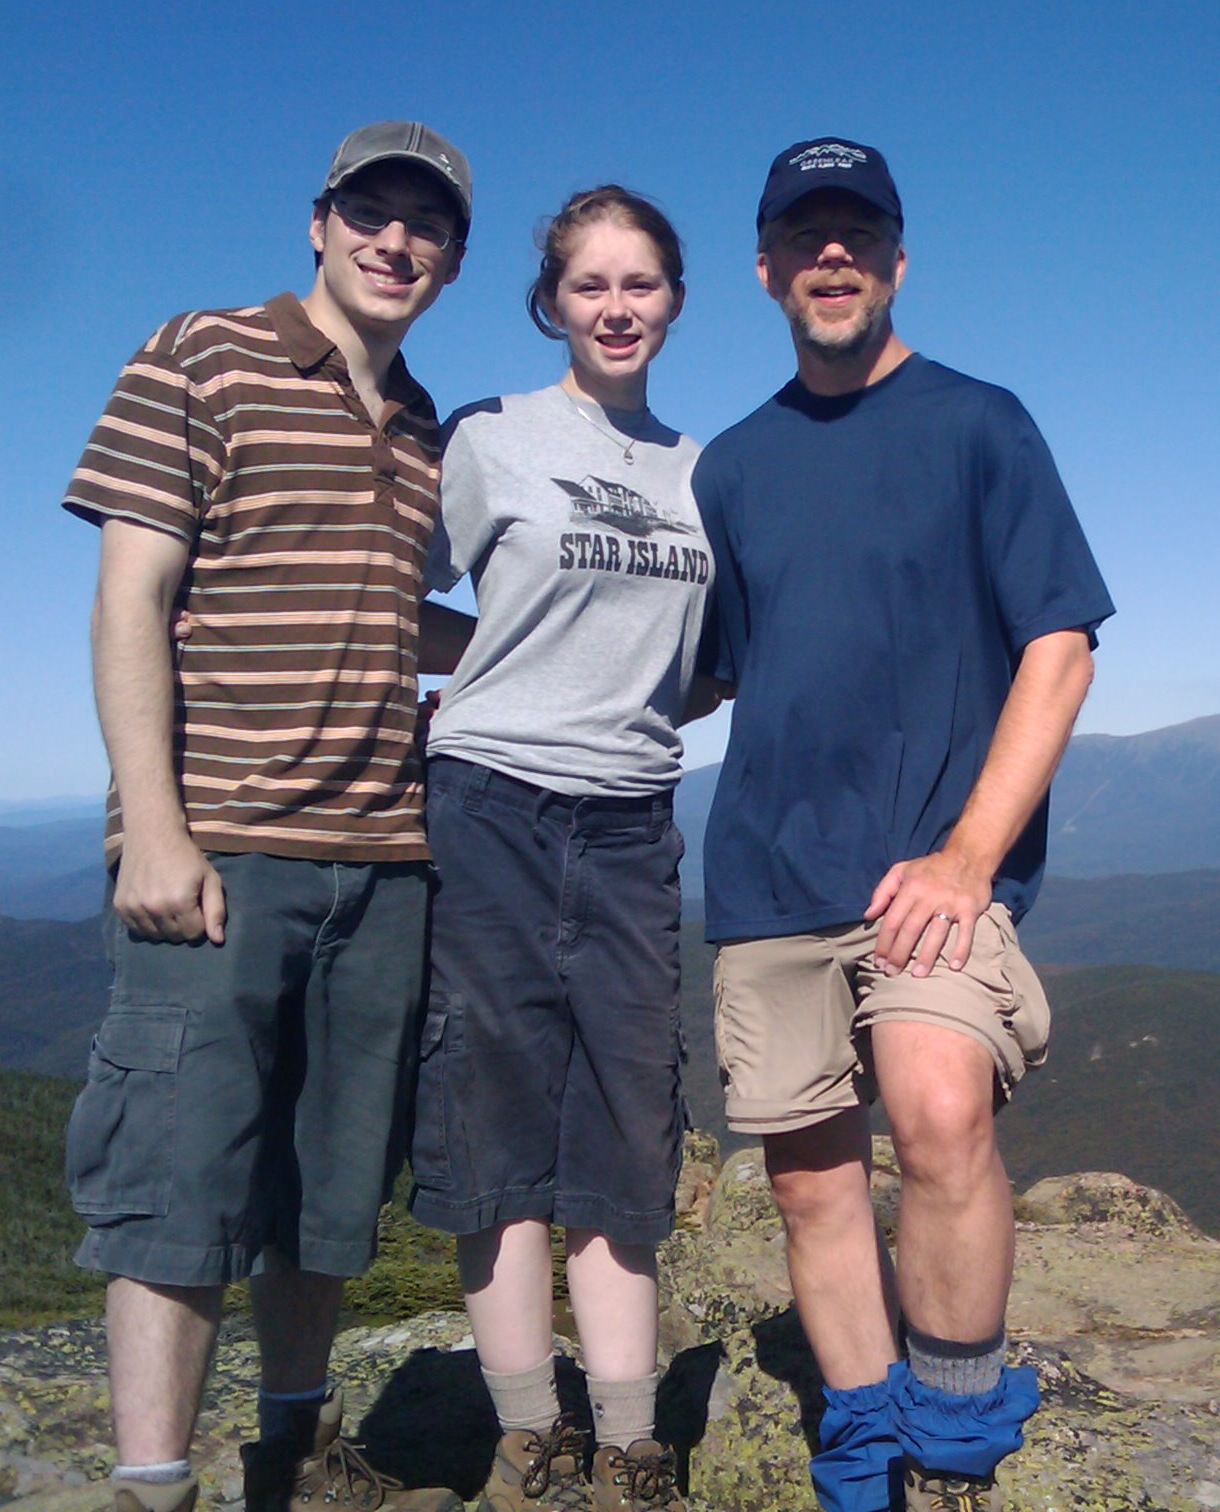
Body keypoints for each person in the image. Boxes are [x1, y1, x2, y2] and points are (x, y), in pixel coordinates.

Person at [691, 138, 1114, 1512]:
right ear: (766, 269)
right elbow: (724, 667)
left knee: (936, 1117)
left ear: (896, 258)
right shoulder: (735, 467)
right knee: (812, 1185)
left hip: (932, 860)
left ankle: (952, 1424)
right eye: (804, 236)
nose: (832, 256)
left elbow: (1060, 645)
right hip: (767, 868)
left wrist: (969, 856)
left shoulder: (980, 423)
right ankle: (863, 1433)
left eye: (856, 233)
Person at [60, 122, 472, 1512]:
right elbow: (134, 596)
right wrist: (157, 828)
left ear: (453, 257)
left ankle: (297, 1463)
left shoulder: (422, 425)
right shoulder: (203, 353)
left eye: (427, 223)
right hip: (224, 846)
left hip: (386, 861)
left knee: (327, 1192)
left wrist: (584, 649)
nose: (396, 239)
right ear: (319, 220)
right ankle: (153, 1487)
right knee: (179, 1189)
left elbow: (391, 615)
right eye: (373, 209)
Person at [406, 186, 710, 1512]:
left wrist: (622, 698)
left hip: (636, 820)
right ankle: (532, 1436)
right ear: (554, 303)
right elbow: (388, 583)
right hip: (489, 808)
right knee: (494, 1121)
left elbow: (710, 668)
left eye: (640, 282)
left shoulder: (709, 473)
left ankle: (633, 1436)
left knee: (628, 1133)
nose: (617, 306)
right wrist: (488, 667)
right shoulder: (493, 440)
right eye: (591, 284)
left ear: (676, 299)